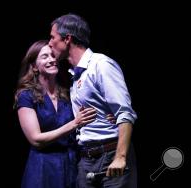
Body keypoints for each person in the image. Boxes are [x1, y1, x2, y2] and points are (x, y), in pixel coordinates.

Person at [48, 13, 138, 188]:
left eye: (53, 37)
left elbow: (125, 112)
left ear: (67, 39)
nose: (50, 43)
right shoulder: (75, 75)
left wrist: (120, 157)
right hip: (86, 160)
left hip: (111, 155)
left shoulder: (101, 65)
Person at [13, 40, 97, 188]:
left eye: (53, 55)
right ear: (34, 66)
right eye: (44, 57)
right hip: (44, 167)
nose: (52, 60)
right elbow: (35, 139)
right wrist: (74, 124)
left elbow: (88, 114)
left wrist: (109, 117)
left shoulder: (67, 91)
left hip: (71, 164)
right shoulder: (26, 96)